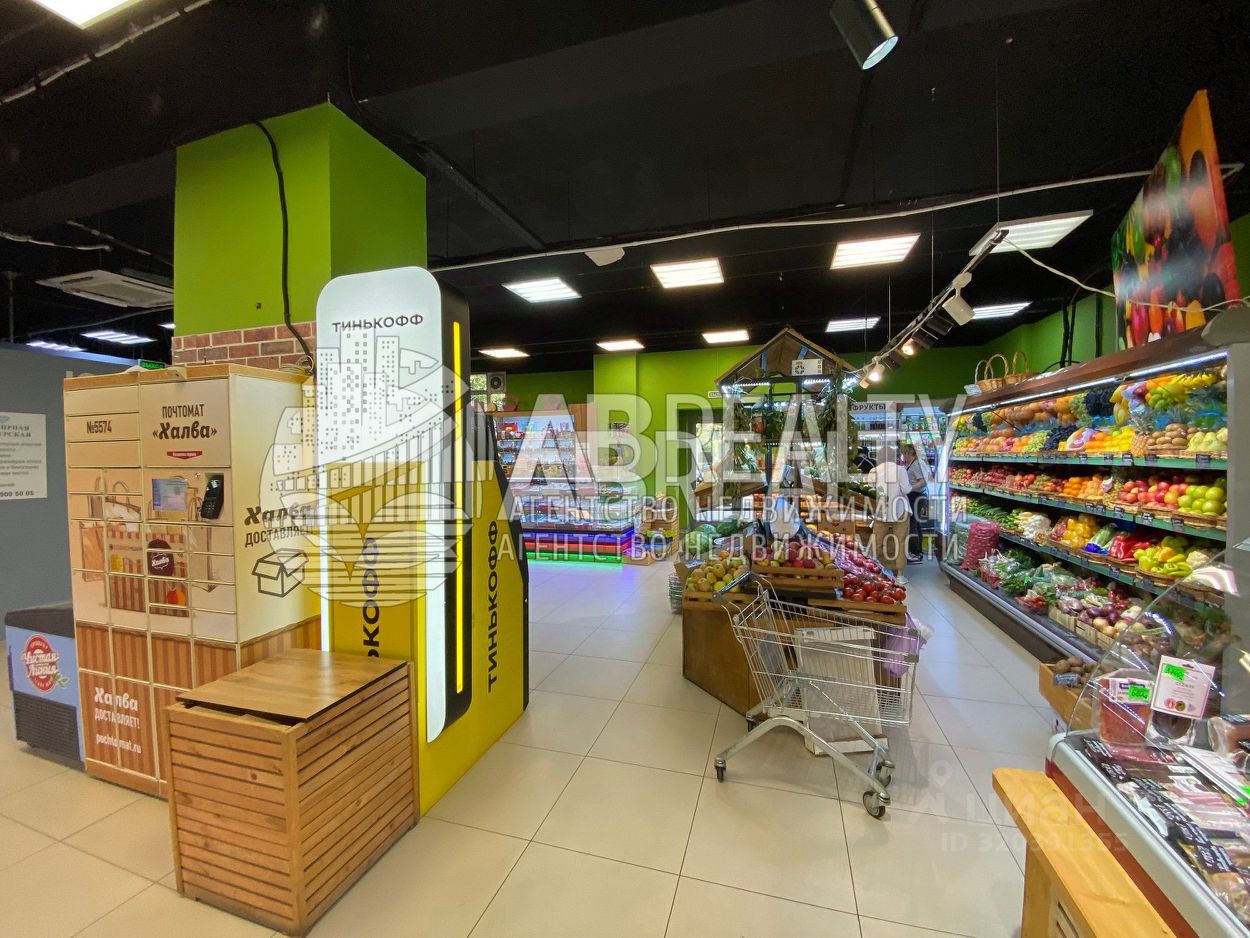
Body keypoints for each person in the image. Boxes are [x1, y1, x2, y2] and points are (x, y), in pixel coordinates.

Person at [867, 444, 911, 582]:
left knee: (877, 542)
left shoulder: (873, 471)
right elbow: (906, 490)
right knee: (901, 542)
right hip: (900, 510)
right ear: (894, 457)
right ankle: (900, 575)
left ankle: (873, 573)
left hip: (881, 511)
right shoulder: (901, 470)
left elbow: (870, 490)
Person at [900, 442, 930, 563]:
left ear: (909, 453)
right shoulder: (910, 464)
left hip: (918, 496)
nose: (903, 456)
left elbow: (923, 481)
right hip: (914, 495)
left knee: (912, 523)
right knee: (914, 523)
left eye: (904, 453)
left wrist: (909, 488)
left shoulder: (917, 464)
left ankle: (915, 552)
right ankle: (916, 551)